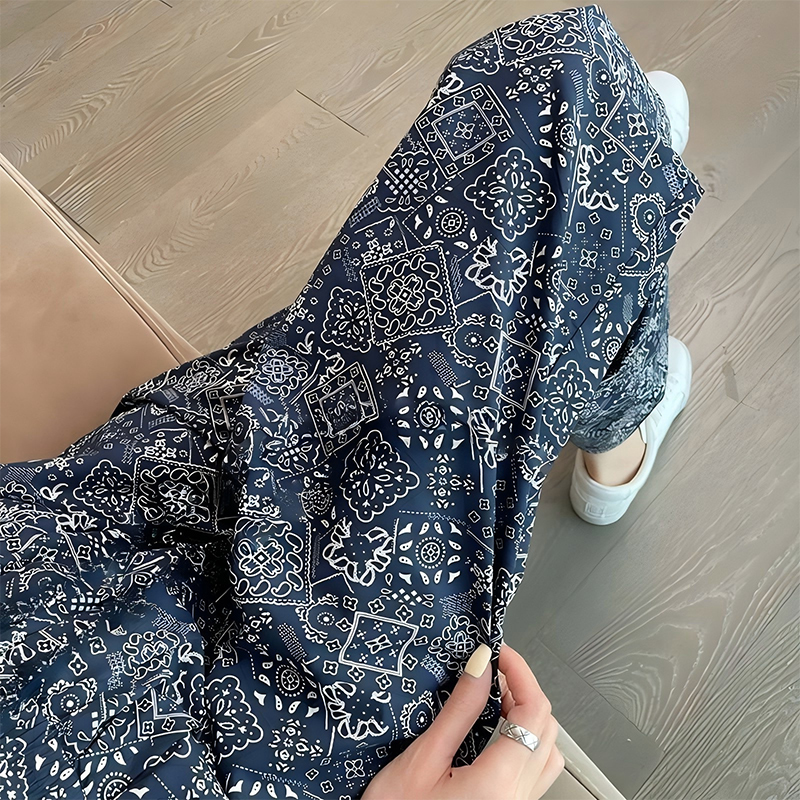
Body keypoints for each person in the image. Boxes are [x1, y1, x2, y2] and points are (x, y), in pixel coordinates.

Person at [0, 4, 704, 799]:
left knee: (554, 159)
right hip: (272, 722)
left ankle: (613, 275)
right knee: (563, 89)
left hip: (89, 539)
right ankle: (617, 400)